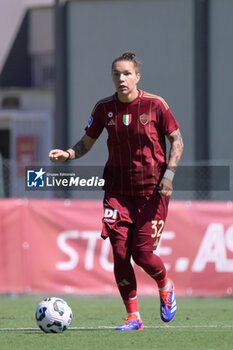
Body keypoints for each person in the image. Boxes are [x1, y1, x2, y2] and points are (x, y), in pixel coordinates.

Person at [49, 52, 184, 331]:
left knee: (142, 254)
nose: (121, 79)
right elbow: (87, 142)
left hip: (152, 192)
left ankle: (164, 284)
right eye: (116, 74)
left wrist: (169, 175)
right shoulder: (104, 108)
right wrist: (68, 154)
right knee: (121, 253)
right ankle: (133, 317)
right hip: (116, 191)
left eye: (126, 74)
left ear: (137, 76)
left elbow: (177, 141)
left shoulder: (155, 105)